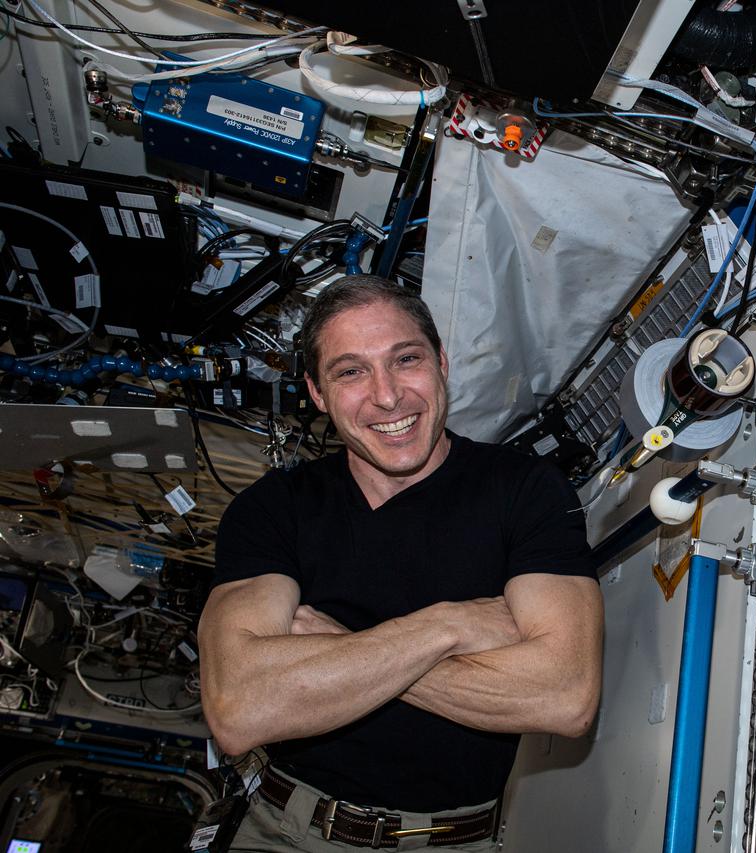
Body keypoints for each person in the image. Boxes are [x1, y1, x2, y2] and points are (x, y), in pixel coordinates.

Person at [198, 275, 604, 851]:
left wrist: (337, 648)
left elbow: (565, 697)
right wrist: (449, 626)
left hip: (451, 841)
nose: (387, 396)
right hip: (284, 831)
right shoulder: (274, 508)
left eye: (405, 359)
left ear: (440, 362)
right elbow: (240, 709)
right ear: (317, 392)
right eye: (351, 372)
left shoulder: (525, 491)